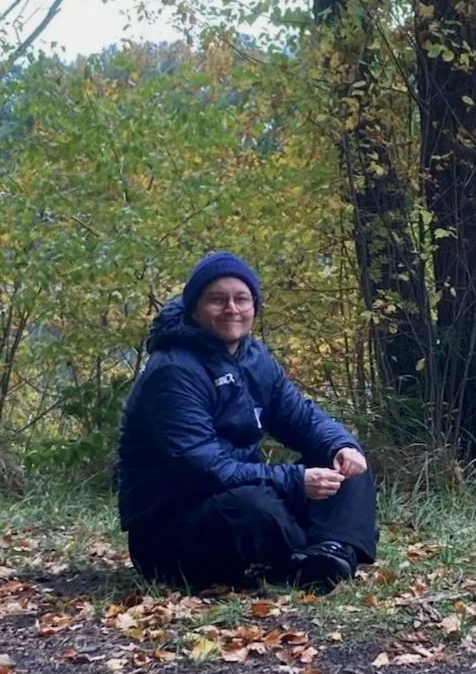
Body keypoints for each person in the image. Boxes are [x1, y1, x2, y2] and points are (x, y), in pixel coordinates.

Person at [117, 252, 376, 593]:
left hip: (237, 493)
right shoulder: (173, 371)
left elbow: (301, 418)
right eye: (217, 300)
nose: (232, 309)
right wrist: (295, 481)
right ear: (195, 308)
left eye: (241, 299)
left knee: (347, 464)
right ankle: (307, 554)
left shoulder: (253, 358)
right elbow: (202, 467)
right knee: (255, 508)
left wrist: (341, 444)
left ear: (254, 306)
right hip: (170, 527)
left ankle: (328, 554)